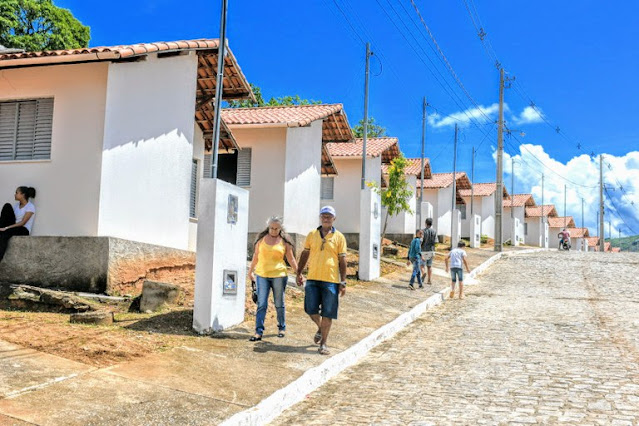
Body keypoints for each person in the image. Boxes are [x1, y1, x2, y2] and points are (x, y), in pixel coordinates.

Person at [296, 206, 347, 356]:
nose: (326, 218)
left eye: (329, 216)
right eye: (324, 215)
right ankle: (320, 327)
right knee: (310, 309)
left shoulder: (339, 237)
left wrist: (343, 282)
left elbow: (342, 260)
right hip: (312, 278)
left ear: (334, 219)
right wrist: (299, 272)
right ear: (320, 217)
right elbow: (305, 254)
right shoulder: (312, 235)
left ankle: (323, 343)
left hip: (331, 280)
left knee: (328, 313)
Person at [247, 216, 298, 342]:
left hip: (279, 275)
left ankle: (281, 327)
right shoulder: (261, 240)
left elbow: (291, 259)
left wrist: (298, 273)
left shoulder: (285, 241)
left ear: (280, 228)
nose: (274, 231)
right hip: (262, 275)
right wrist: (250, 271)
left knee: (279, 303)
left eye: (276, 228)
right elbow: (256, 256)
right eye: (271, 228)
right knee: (261, 304)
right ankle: (258, 332)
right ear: (268, 227)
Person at [0, 186, 36, 262]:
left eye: (17, 193)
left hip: (23, 229)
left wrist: (7, 228)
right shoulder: (16, 206)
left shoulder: (30, 206)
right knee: (7, 206)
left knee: (4, 234)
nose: (15, 194)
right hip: (14, 227)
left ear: (23, 194)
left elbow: (23, 222)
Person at [420, 218, 437, 285]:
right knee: (429, 266)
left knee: (422, 265)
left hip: (423, 250)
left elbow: (421, 240)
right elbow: (436, 241)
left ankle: (423, 273)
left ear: (426, 223)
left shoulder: (423, 231)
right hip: (431, 250)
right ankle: (429, 280)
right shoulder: (434, 231)